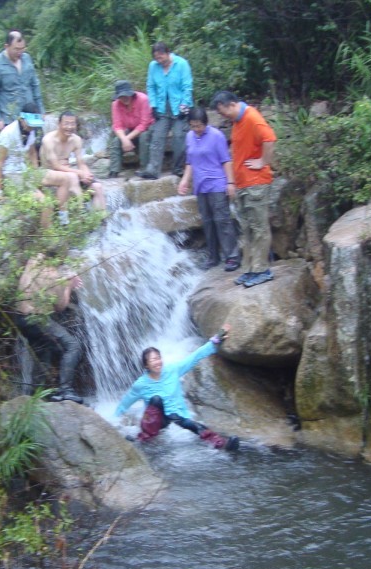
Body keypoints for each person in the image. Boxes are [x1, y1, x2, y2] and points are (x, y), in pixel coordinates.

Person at [114, 324, 240, 451]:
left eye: (158, 358)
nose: (158, 362)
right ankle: (143, 439)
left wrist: (217, 338)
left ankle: (222, 444)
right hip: (153, 422)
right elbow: (127, 401)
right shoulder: (141, 384)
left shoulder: (173, 370)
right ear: (146, 365)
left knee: (192, 425)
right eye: (153, 360)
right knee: (156, 399)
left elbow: (195, 357)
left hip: (174, 414)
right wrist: (113, 421)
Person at [211, 90, 278, 288]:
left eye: (223, 112)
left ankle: (262, 270)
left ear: (231, 104)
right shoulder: (238, 121)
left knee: (259, 228)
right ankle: (250, 269)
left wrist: (263, 162)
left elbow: (270, 139)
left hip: (256, 183)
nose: (222, 116)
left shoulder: (252, 117)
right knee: (247, 230)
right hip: (244, 184)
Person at [13, 254, 85, 404]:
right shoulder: (52, 274)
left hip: (20, 317)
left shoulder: (32, 261)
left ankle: (37, 396)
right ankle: (65, 390)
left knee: (44, 350)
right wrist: (69, 285)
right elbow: (60, 306)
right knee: (72, 346)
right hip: (36, 318)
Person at [177, 107, 239, 272]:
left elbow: (226, 161)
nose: (196, 129)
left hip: (217, 183)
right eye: (193, 126)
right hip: (200, 185)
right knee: (208, 222)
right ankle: (213, 257)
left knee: (222, 220)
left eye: (199, 126)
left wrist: (231, 183)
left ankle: (232, 256)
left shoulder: (216, 136)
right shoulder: (189, 136)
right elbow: (190, 162)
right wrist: (184, 181)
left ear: (206, 123)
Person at [40, 111, 106, 225]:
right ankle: (81, 213)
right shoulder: (48, 140)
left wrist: (87, 174)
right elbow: (55, 165)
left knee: (97, 186)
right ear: (59, 124)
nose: (69, 127)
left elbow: (81, 162)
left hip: (70, 172)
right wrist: (79, 173)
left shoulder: (76, 139)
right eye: (66, 123)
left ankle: (100, 221)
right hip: (52, 175)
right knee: (72, 176)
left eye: (72, 124)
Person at [139, 42, 193, 180]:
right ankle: (153, 169)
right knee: (157, 136)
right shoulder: (153, 66)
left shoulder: (182, 64)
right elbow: (150, 86)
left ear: (168, 53)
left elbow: (187, 87)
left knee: (179, 136)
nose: (159, 60)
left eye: (161, 56)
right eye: (156, 57)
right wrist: (154, 106)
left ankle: (178, 168)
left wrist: (184, 107)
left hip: (180, 106)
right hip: (162, 107)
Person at [0, 30, 44, 132]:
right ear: (6, 46)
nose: (20, 52)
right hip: (10, 116)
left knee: (37, 144)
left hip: (30, 113)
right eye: (16, 49)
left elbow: (35, 84)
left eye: (22, 49)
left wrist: (41, 110)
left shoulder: (27, 58)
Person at [108, 80, 154, 179]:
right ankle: (114, 170)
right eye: (121, 96)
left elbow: (144, 124)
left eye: (126, 95)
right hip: (130, 129)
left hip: (147, 129)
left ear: (131, 93)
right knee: (117, 141)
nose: (124, 98)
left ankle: (144, 168)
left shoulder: (143, 99)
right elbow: (117, 125)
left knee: (144, 136)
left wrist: (127, 139)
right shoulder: (115, 104)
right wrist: (124, 139)